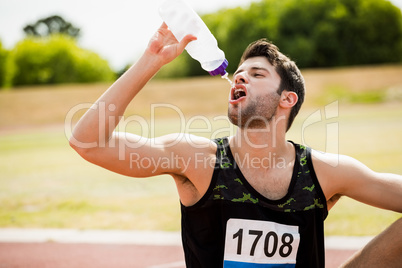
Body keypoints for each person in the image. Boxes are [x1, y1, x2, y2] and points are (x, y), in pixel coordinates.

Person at [69, 23, 402, 267]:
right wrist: (151, 60)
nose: (240, 77)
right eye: (239, 73)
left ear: (287, 98)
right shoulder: (197, 160)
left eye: (257, 74)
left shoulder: (326, 171)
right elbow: (87, 142)